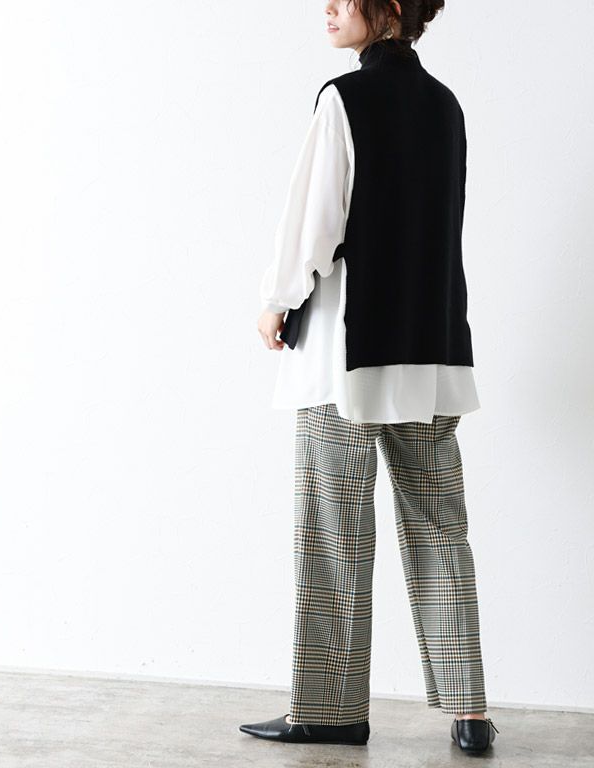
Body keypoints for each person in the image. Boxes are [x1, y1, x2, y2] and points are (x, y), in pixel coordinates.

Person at [242, 0, 499, 755]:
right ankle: (470, 711)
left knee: (335, 531)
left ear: (386, 6)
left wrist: (276, 299)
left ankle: (329, 711)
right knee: (439, 525)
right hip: (431, 348)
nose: (326, 6)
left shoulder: (344, 99)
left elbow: (313, 225)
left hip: (346, 360)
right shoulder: (446, 105)